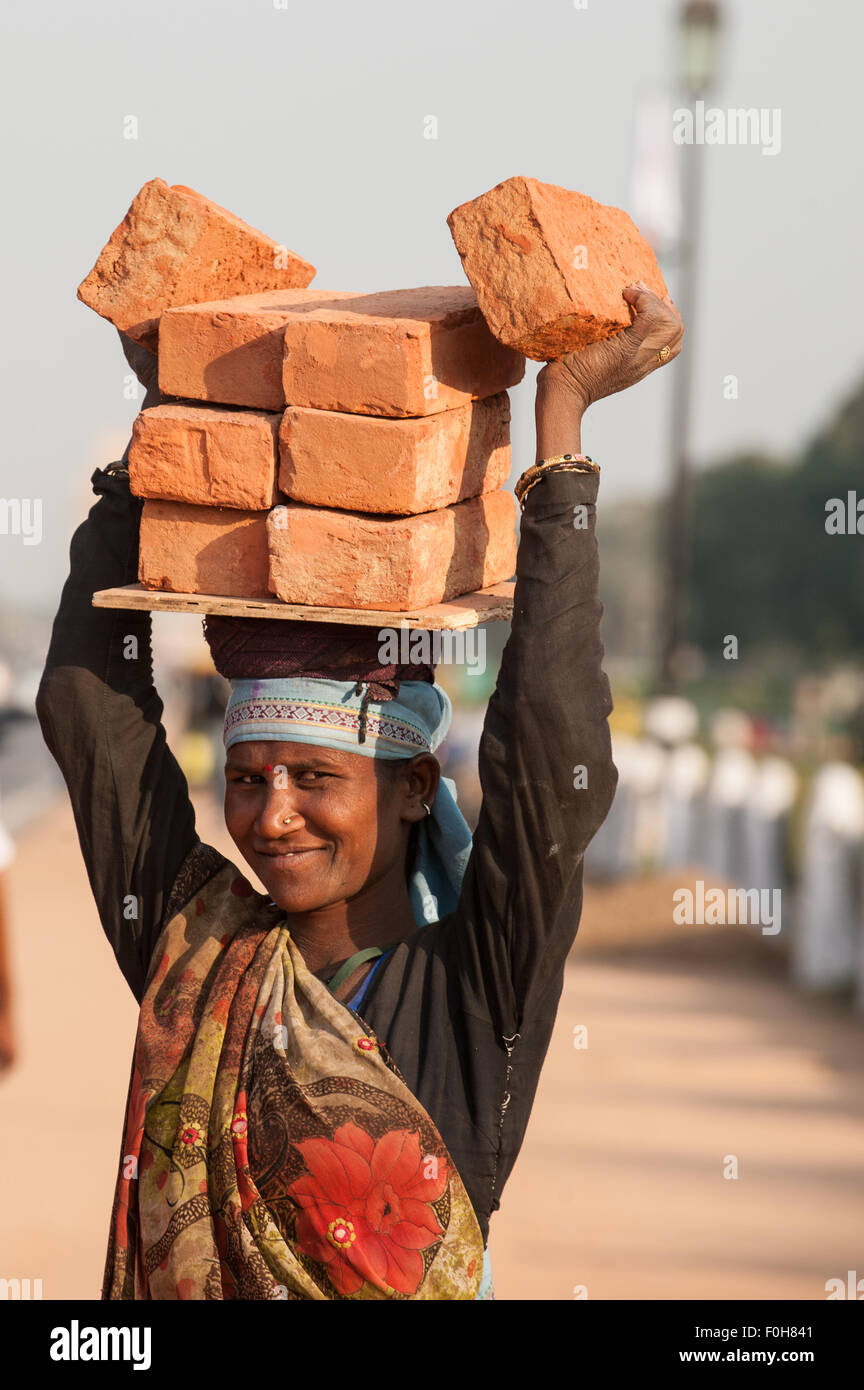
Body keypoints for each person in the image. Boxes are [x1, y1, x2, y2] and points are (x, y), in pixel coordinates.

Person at [37, 282, 683, 1300]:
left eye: (314, 777)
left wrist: (562, 427)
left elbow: (552, 759)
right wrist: (166, 448)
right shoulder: (199, 954)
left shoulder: (477, 987)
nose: (271, 813)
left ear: (416, 784)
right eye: (245, 779)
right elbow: (87, 712)